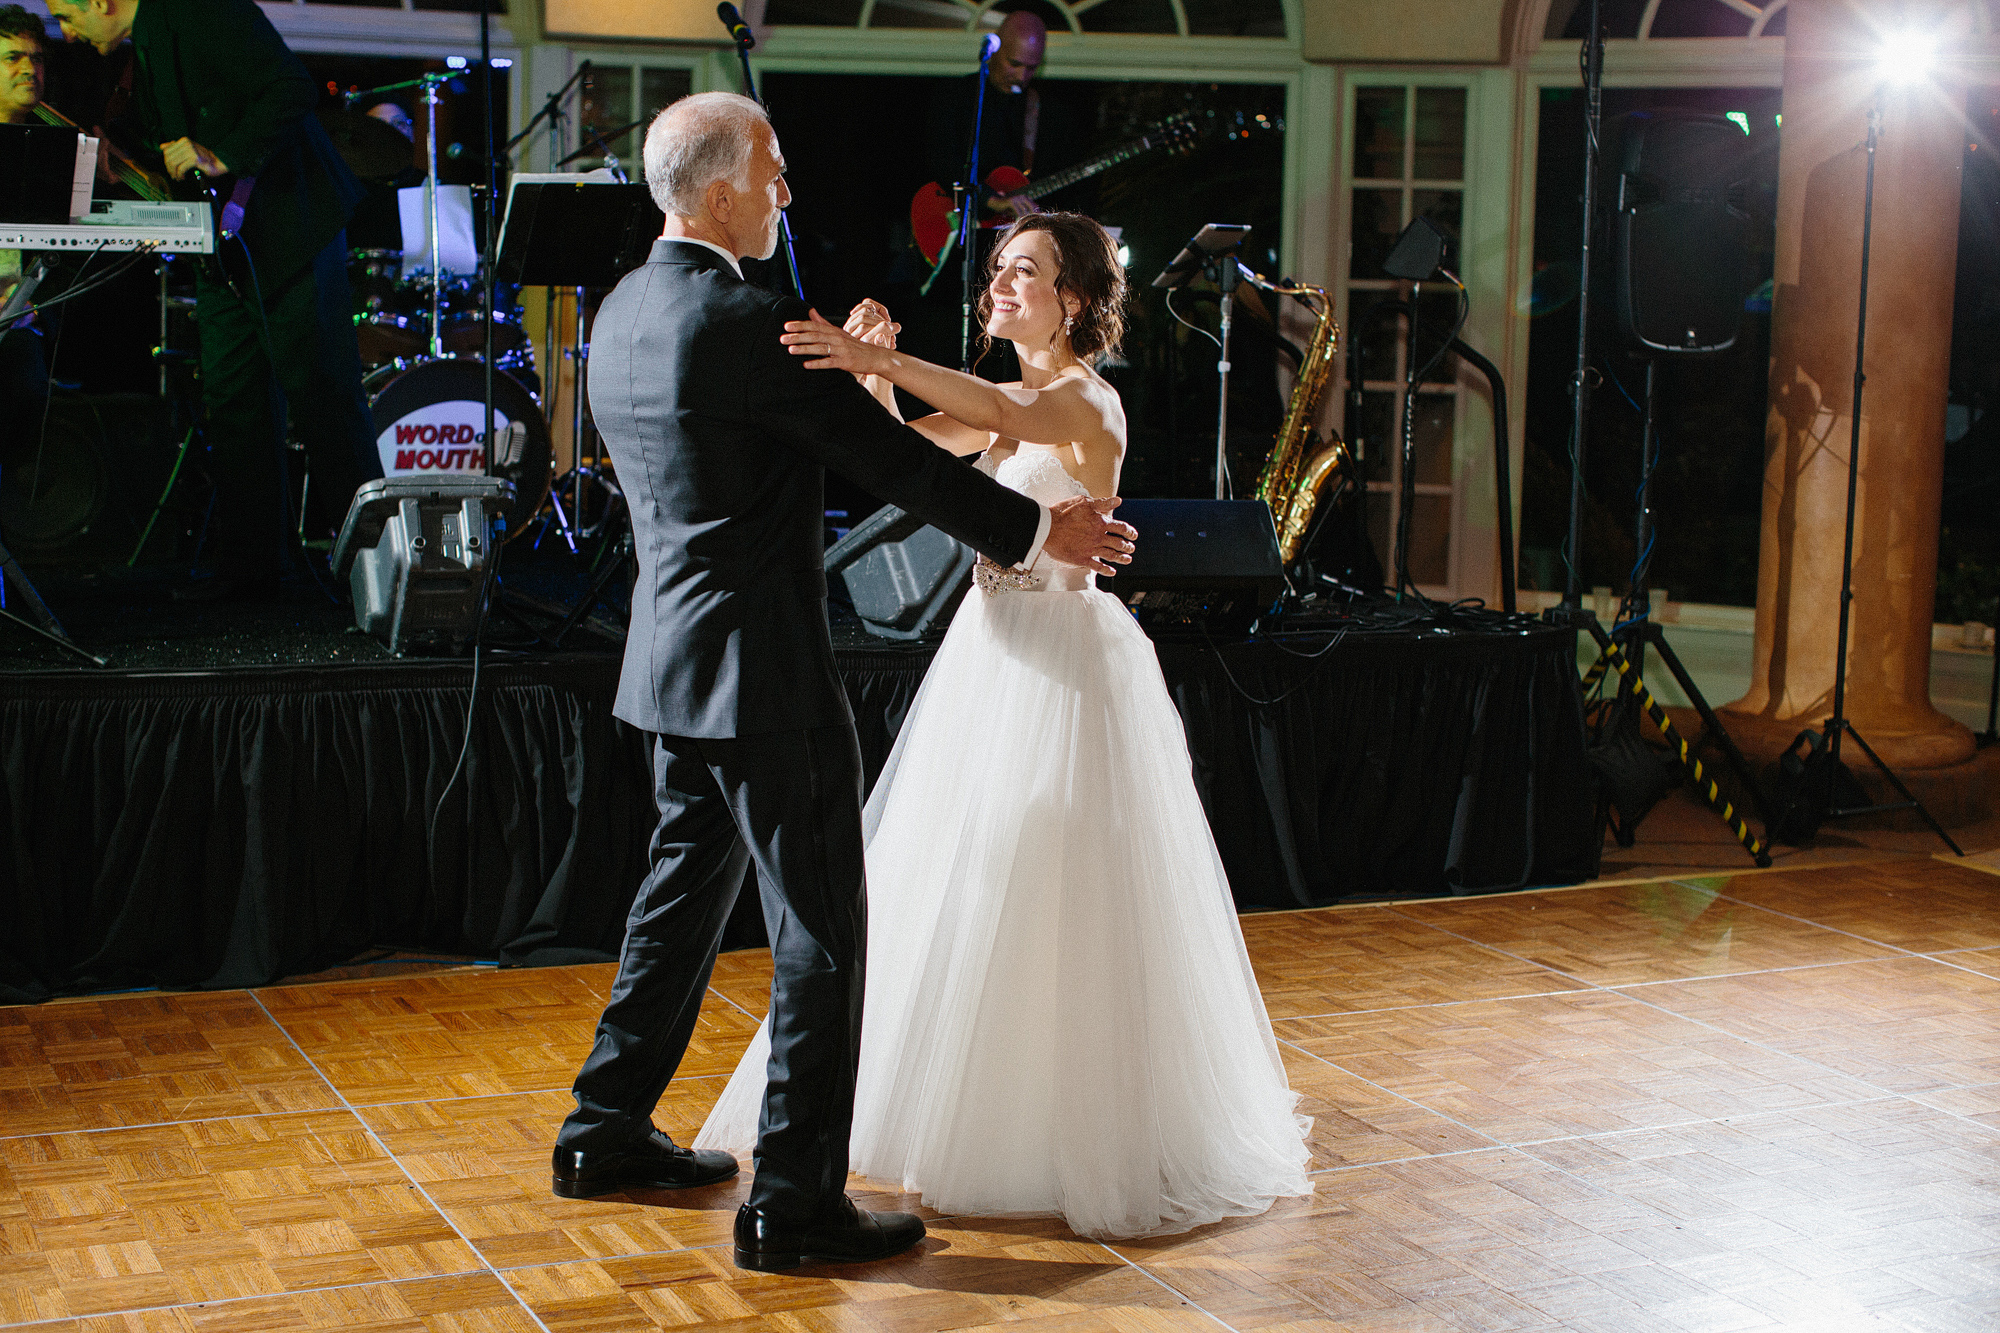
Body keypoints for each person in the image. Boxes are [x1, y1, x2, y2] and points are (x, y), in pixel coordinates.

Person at [551, 93, 1138, 1274]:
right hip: (763, 679)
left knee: (676, 903)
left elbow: (871, 448)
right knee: (822, 931)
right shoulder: (746, 319)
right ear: (717, 189)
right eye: (771, 173)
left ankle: (601, 1127)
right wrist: (1037, 535)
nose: (784, 194)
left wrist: (872, 374)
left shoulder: (620, 308)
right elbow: (885, 462)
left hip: (667, 667)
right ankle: (794, 1204)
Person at [694, 213, 1314, 1240]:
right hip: (987, 650)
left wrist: (875, 354)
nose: (1000, 287)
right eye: (995, 272)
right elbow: (897, 455)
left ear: (1073, 298)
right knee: (954, 873)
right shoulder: (1012, 404)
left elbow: (1001, 407)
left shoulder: (1081, 398)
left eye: (1024, 272)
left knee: (1050, 891)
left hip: (1064, 664)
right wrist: (872, 380)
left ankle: (1045, 1127)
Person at [46, 0, 381, 599]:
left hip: (288, 228)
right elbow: (182, 137)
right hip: (225, 242)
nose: (67, 34)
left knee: (324, 399)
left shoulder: (200, 10)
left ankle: (382, 573)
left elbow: (288, 88)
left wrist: (220, 153)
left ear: (101, 2)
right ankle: (253, 577)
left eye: (67, 17)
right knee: (234, 403)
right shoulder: (143, 47)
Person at [0, 5, 50, 453]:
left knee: (28, 388)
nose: (28, 69)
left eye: (35, 59)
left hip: (14, 320)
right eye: (12, 57)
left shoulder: (48, 145)